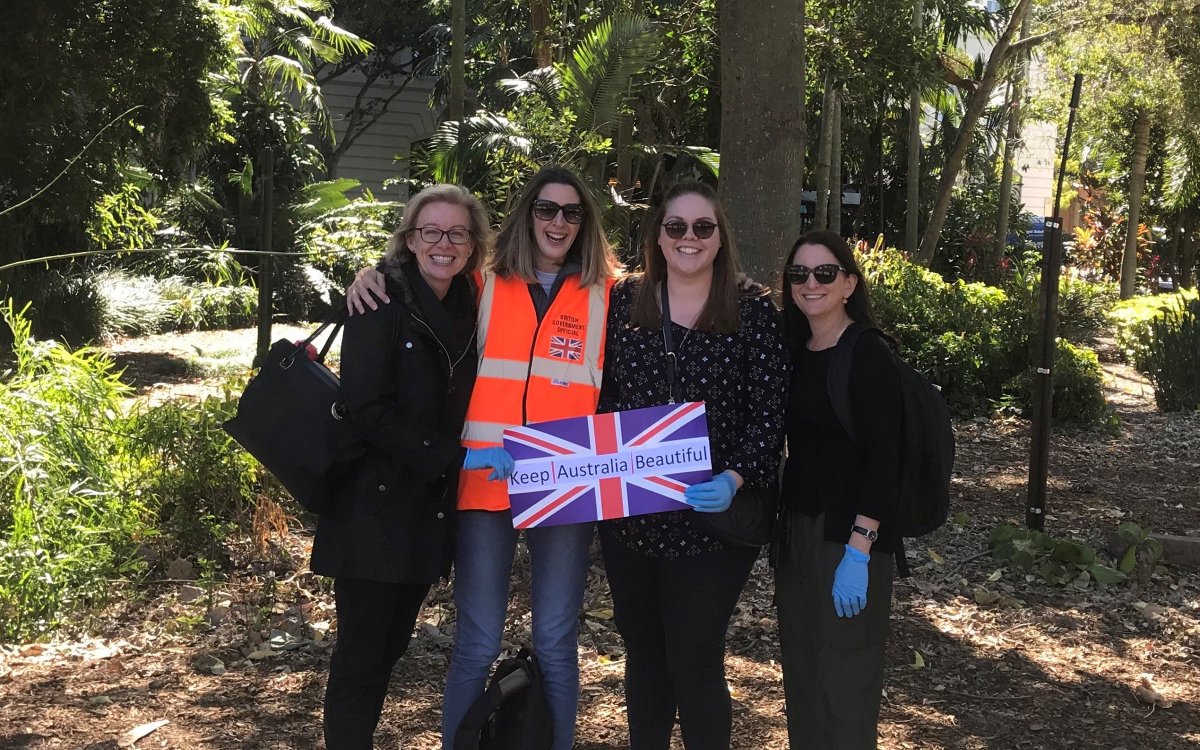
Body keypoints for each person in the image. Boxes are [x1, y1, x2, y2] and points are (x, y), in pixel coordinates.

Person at [345, 166, 622, 750]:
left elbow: (685, 290)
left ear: (585, 222)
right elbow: (422, 278)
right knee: (477, 640)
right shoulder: (485, 283)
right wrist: (371, 273)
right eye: (547, 209)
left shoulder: (611, 292)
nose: (558, 222)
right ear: (527, 214)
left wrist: (744, 287)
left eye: (572, 213)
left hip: (564, 484)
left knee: (555, 640)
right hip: (482, 481)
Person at [311, 184, 515, 750]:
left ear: (474, 244)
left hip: (426, 513)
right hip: (371, 510)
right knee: (361, 657)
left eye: (457, 233)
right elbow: (367, 411)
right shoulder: (378, 302)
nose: (443, 243)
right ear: (409, 238)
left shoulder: (472, 303)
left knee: (390, 649)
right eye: (431, 231)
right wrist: (457, 457)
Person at [596, 181, 790, 750]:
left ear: (719, 236)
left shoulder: (751, 309)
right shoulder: (622, 300)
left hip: (712, 523)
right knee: (644, 655)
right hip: (630, 515)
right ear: (657, 235)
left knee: (695, 657)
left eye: (702, 227)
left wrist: (735, 478)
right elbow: (593, 394)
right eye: (675, 226)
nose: (688, 238)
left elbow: (769, 410)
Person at [775, 229, 903, 749]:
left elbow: (885, 462)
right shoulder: (794, 348)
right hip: (796, 539)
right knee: (803, 679)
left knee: (845, 686)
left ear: (849, 283)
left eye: (825, 273)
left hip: (849, 541)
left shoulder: (868, 354)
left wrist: (859, 550)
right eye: (799, 273)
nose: (811, 283)